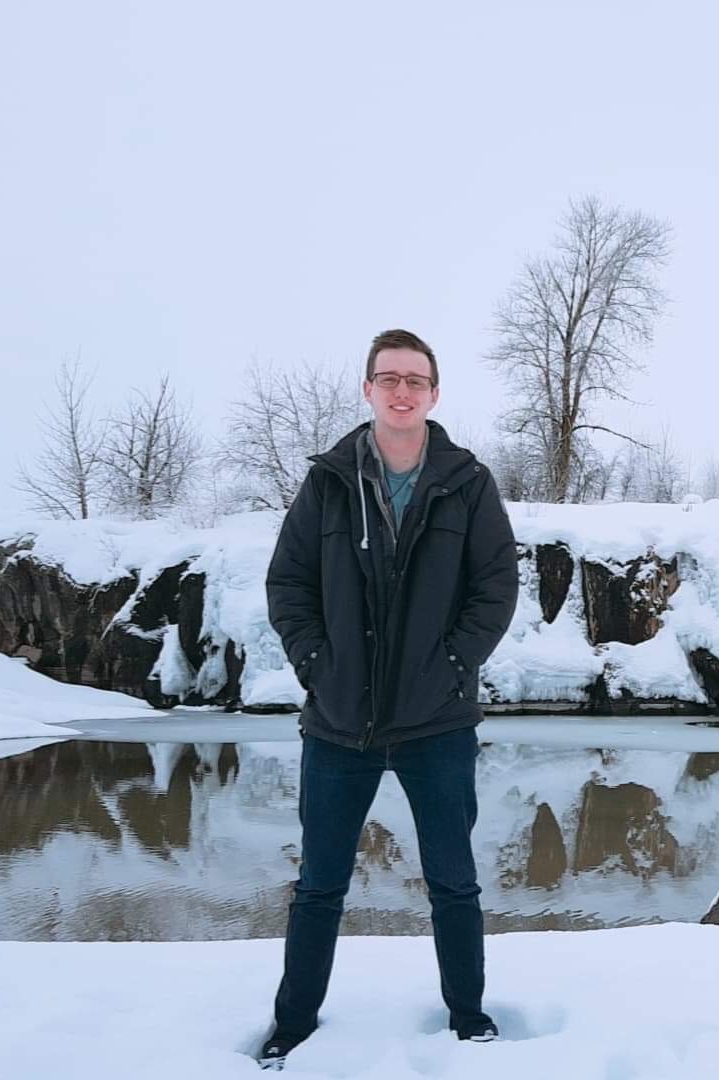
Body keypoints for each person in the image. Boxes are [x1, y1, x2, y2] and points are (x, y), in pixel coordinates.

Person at [258, 328, 518, 1068]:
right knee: (319, 887)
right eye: (388, 378)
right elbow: (289, 583)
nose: (401, 391)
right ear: (369, 389)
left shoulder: (468, 484)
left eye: (415, 380)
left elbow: (495, 587)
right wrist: (316, 663)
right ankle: (292, 1024)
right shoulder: (329, 482)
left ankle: (468, 1016)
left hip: (437, 721)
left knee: (453, 881)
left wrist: (455, 663)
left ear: (434, 395)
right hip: (339, 723)